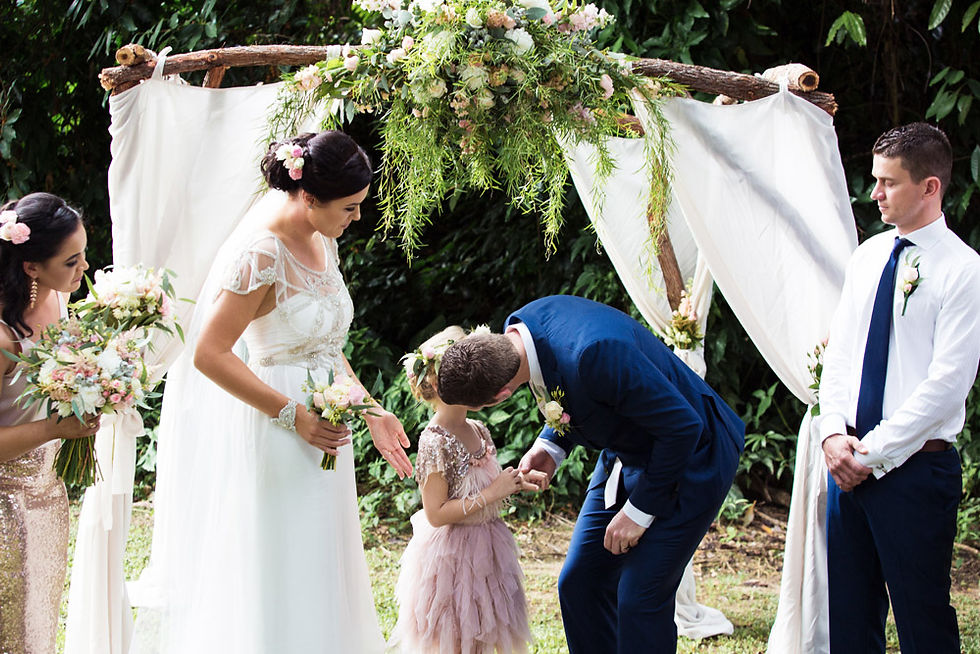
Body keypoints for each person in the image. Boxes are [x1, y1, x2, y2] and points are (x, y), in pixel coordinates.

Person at [139, 130, 412, 653]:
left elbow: (326, 346)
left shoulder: (323, 241)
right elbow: (209, 354)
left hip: (327, 427)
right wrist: (294, 417)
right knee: (280, 554)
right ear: (309, 197)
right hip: (279, 426)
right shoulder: (261, 256)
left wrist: (372, 409)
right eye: (350, 208)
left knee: (319, 554)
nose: (357, 218)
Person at [436, 295, 745, 654]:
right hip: (628, 448)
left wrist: (638, 511)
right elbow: (578, 391)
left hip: (693, 455)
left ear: (500, 396)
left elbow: (683, 427)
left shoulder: (593, 354)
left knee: (639, 596)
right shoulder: (520, 332)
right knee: (579, 582)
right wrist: (551, 444)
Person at [819, 122, 980, 653]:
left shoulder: (963, 270)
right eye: (875, 179)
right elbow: (840, 354)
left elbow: (947, 384)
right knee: (849, 618)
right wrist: (832, 436)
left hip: (914, 470)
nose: (875, 193)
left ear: (930, 186)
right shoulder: (867, 255)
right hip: (847, 465)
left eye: (888, 182)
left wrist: (875, 453)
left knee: (923, 619)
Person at [388, 325, 541, 654]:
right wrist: (493, 493)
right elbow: (436, 514)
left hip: (489, 549)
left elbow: (487, 484)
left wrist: (516, 482)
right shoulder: (436, 440)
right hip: (453, 561)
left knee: (488, 635)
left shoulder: (478, 429)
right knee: (457, 639)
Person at [0, 192, 101, 654]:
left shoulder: (59, 301)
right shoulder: (3, 335)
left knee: (37, 625)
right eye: (72, 260)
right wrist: (55, 429)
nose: (84, 268)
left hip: (48, 495)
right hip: (5, 504)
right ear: (31, 267)